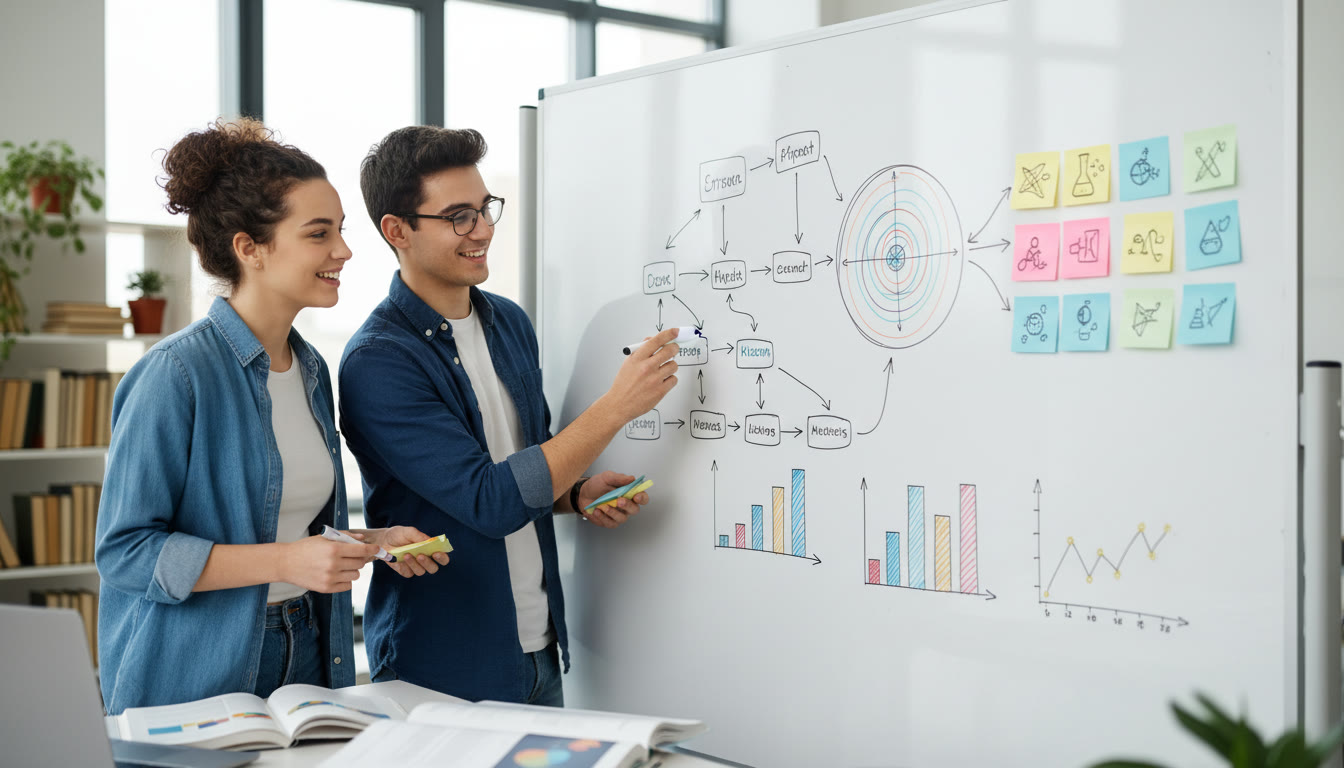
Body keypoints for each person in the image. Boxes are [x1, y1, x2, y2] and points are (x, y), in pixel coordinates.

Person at [94, 118, 449, 715]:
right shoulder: (175, 374)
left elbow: (285, 528)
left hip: (306, 646)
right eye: (318, 233)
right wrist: (286, 562)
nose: (343, 250)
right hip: (195, 665)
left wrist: (374, 541)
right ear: (249, 249)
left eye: (340, 230)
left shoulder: (311, 370)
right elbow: (126, 552)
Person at [340, 126, 680, 706]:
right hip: (444, 664)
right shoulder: (379, 361)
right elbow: (490, 500)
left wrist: (574, 494)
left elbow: (525, 463)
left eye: (484, 208)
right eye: (459, 217)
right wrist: (617, 407)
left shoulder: (509, 322)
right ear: (397, 231)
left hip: (541, 645)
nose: (483, 230)